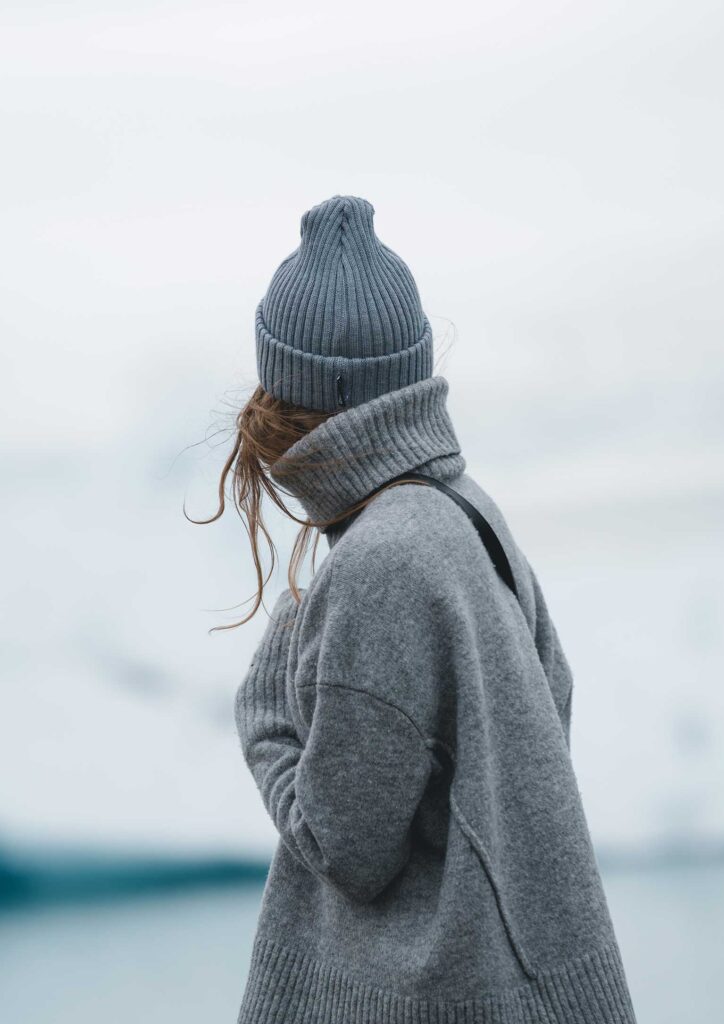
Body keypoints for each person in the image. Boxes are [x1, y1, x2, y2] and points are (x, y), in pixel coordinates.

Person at [209, 195, 637, 1023]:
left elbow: (349, 848)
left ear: (290, 386)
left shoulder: (382, 561)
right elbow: (553, 706)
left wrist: (265, 717)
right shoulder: (464, 511)